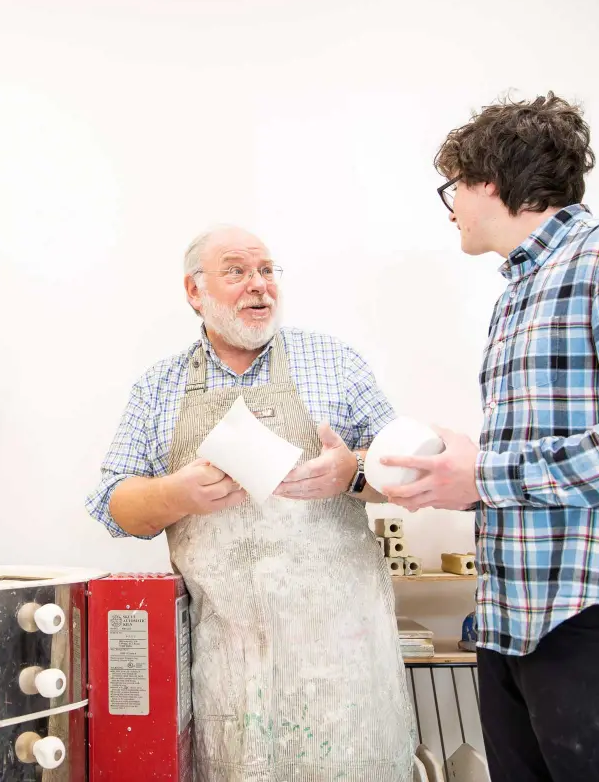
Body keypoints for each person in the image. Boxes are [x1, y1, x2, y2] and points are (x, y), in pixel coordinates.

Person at [381, 93, 599, 781]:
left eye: (454, 186)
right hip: (511, 622)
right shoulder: (516, 294)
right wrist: (460, 481)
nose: (451, 208)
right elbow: (540, 459)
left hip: (595, 622)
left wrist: (487, 476)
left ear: (491, 181)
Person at [86, 225, 416, 781]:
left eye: (266, 270)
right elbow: (112, 505)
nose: (258, 286)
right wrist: (174, 493)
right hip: (229, 661)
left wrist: (353, 471)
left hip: (342, 655)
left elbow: (408, 473)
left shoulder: (335, 363)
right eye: (236, 271)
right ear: (195, 292)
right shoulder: (160, 386)